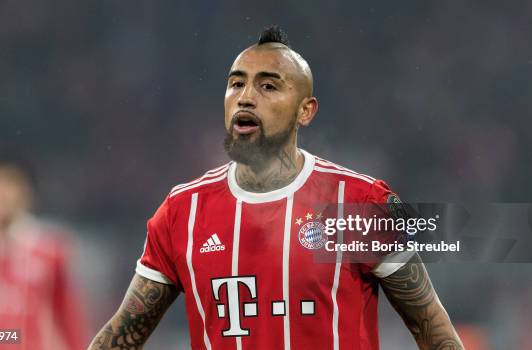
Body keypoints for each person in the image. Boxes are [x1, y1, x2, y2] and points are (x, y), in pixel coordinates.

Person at [89, 26, 464, 350]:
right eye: (236, 83)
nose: (246, 96)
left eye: (268, 85)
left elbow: (429, 325)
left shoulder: (359, 203)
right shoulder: (182, 213)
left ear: (306, 111)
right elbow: (124, 334)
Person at [0, 154, 88, 350]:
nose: (2, 194)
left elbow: (68, 318)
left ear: (27, 192)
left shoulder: (48, 250)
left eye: (10, 184)